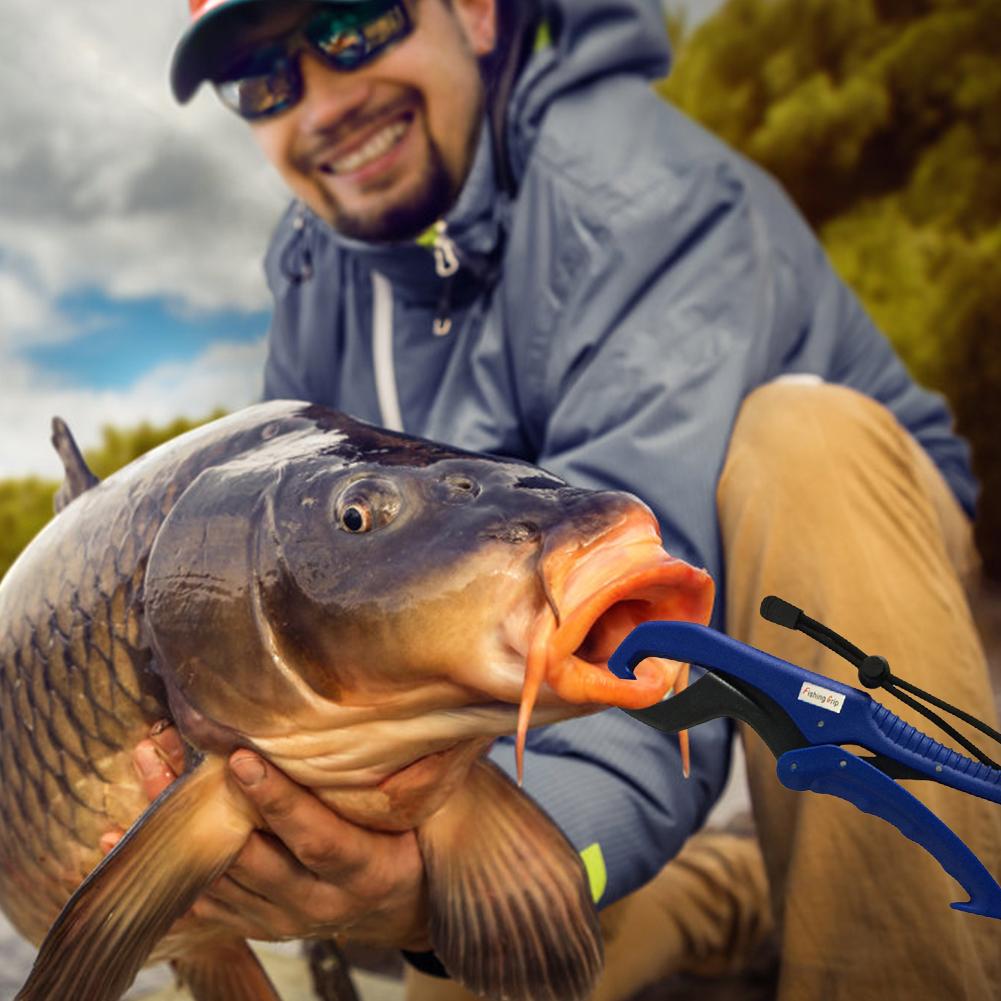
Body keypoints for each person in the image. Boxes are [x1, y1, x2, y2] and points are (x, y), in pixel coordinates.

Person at [137, 0, 1001, 998]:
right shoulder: (310, 276)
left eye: (351, 21)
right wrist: (394, 883)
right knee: (476, 939)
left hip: (829, 555)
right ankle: (724, 891)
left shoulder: (634, 187)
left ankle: (914, 943)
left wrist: (497, 858)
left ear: (472, 10)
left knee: (801, 442)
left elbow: (633, 615)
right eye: (260, 79)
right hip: (534, 624)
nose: (321, 102)